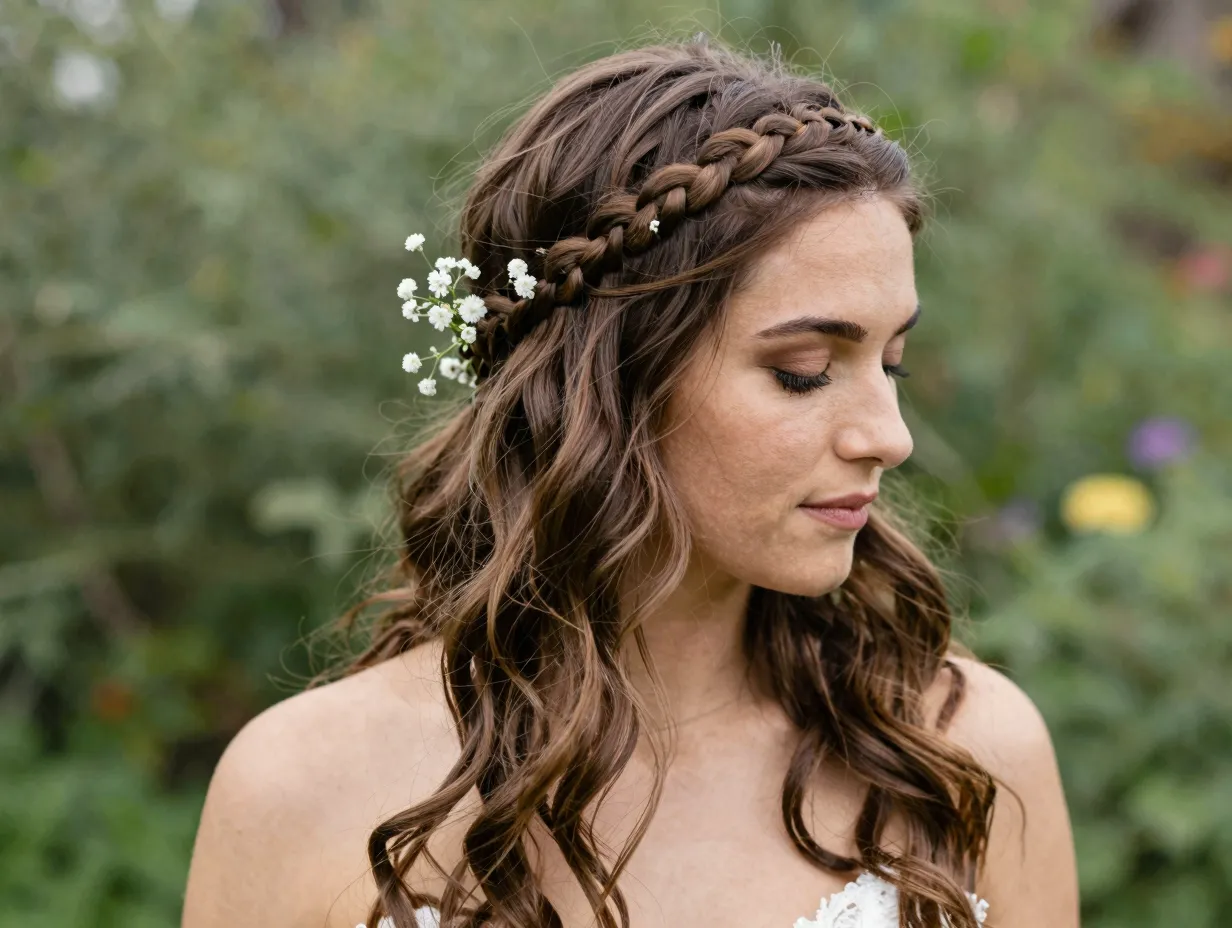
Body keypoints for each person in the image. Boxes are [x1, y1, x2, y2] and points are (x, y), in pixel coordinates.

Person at [182, 35, 1080, 928]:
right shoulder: (302, 790)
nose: (890, 436)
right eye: (805, 370)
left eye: (895, 363)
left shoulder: (963, 758)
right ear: (607, 385)